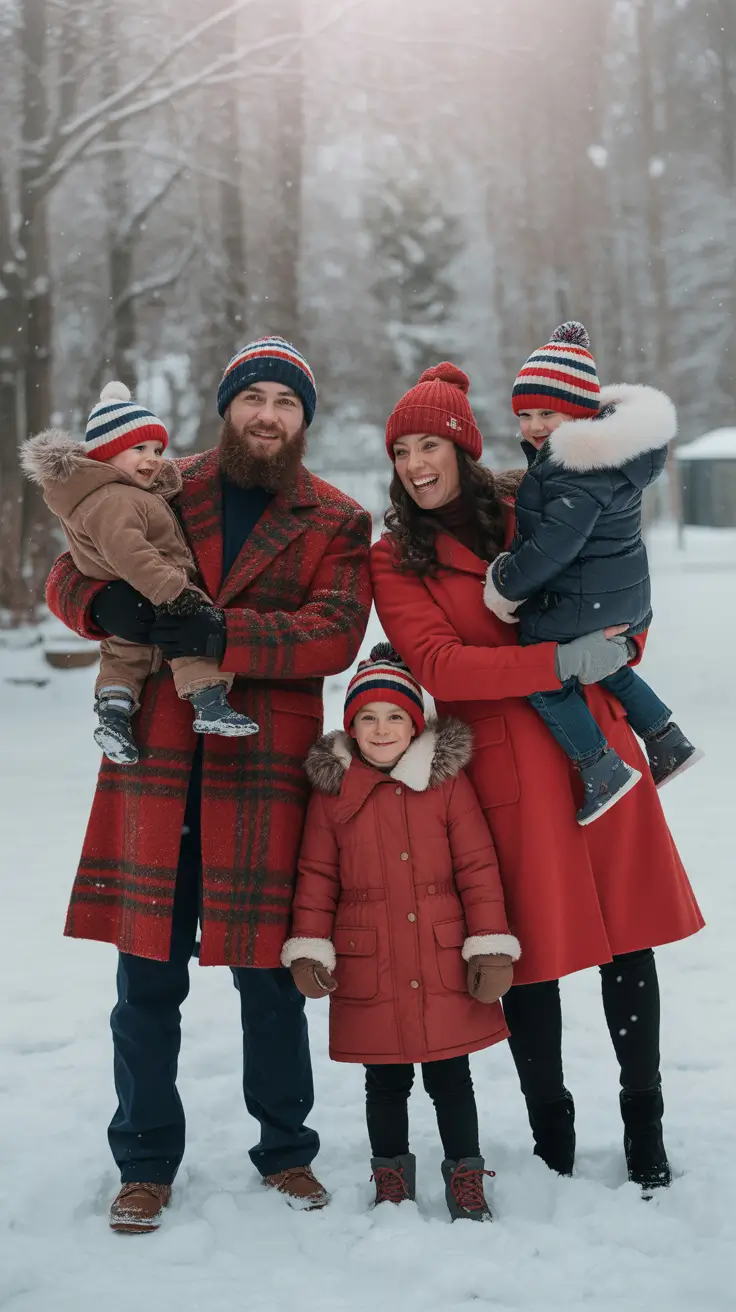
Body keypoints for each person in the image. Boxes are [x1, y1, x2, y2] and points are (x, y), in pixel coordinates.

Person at [44, 336, 372, 1232]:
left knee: (269, 982)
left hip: (262, 768)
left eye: (286, 403)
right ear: (228, 406)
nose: (267, 414)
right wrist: (100, 606)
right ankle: (143, 1162)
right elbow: (69, 566)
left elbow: (335, 634)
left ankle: (287, 1150)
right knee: (145, 981)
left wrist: (215, 636)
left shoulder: (337, 518)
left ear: (305, 420)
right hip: (155, 762)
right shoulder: (157, 481)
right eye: (253, 397)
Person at [370, 361, 704, 1194]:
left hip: (595, 743)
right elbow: (443, 664)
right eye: (401, 449)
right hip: (505, 773)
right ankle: (552, 1134)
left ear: (464, 445)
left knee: (629, 940)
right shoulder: (394, 558)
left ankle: (645, 1131)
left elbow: (613, 579)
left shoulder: (536, 499)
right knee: (533, 959)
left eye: (430, 444)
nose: (416, 464)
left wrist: (622, 648)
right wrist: (559, 657)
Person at [281, 643, 521, 1221]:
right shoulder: (334, 792)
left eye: (394, 717)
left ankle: (466, 1174)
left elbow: (478, 867)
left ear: (415, 724)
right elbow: (316, 875)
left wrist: (488, 943)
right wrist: (310, 947)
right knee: (384, 1082)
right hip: (372, 959)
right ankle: (391, 1177)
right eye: (367, 718)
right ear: (351, 726)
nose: (381, 729)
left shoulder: (446, 785)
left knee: (451, 1076)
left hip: (439, 956)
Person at [483, 321, 701, 824]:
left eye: (548, 413)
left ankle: (599, 766)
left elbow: (554, 547)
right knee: (608, 665)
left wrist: (505, 584)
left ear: (580, 413)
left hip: (581, 596)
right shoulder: (614, 460)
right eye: (526, 415)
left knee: (543, 670)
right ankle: (666, 738)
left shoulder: (574, 469)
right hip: (619, 597)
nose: (536, 426)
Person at [21, 382, 259, 764]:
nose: (153, 459)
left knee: (122, 657)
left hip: (132, 595)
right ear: (105, 453)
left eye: (158, 450)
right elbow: (127, 550)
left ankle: (113, 712)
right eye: (139, 448)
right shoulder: (116, 498)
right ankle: (209, 702)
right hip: (155, 588)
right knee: (191, 639)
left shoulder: (107, 495)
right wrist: (173, 590)